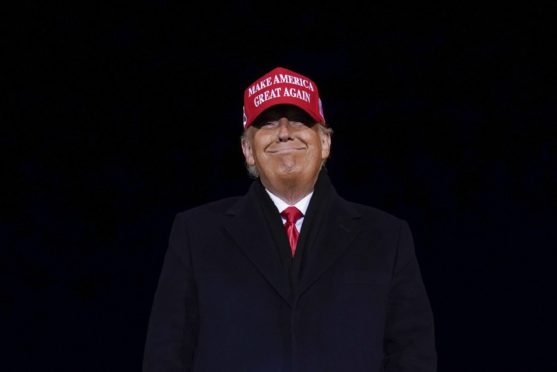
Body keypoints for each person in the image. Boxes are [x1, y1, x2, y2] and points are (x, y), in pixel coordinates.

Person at [143, 66, 437, 372]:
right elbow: (166, 358)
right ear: (248, 150)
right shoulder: (196, 235)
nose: (284, 131)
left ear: (325, 143)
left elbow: (412, 358)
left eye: (299, 120)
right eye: (268, 123)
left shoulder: (386, 239)